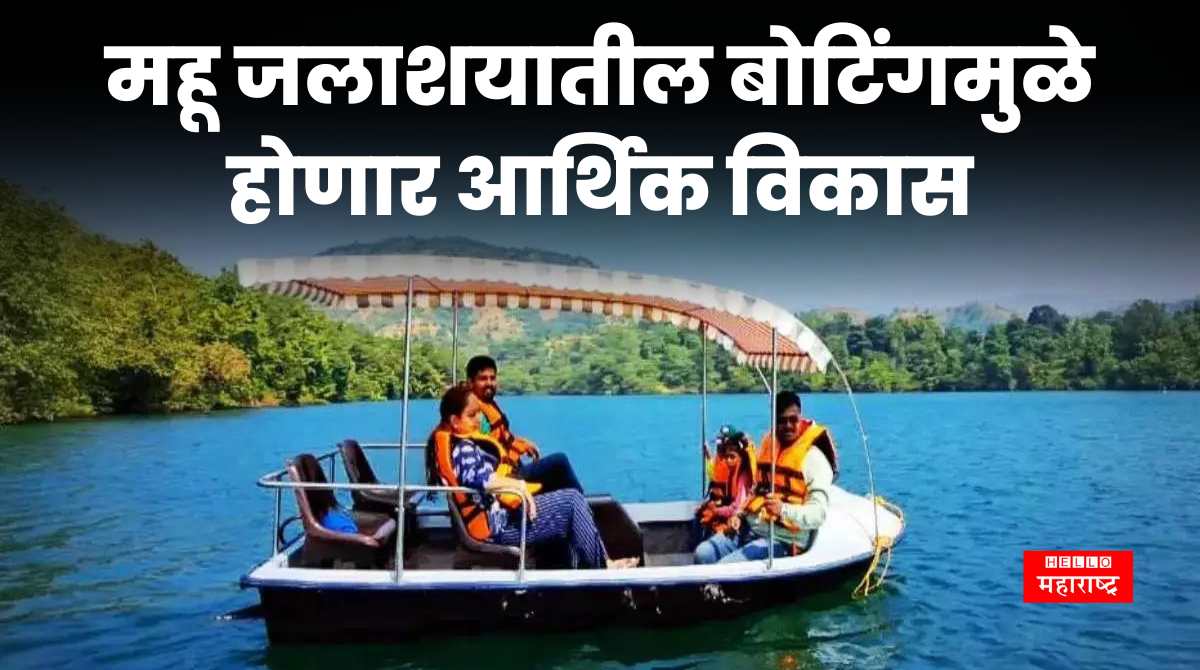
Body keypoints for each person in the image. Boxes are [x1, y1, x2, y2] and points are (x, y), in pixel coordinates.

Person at [432, 384, 638, 569]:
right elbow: (478, 478)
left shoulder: (460, 444)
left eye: (478, 413)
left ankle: (583, 565)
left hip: (500, 518)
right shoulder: (463, 450)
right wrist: (520, 487)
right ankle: (603, 568)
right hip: (499, 529)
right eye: (471, 415)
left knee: (567, 497)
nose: (478, 419)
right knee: (572, 500)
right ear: (455, 421)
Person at [718, 391, 839, 563]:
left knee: (723, 567)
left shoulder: (814, 458)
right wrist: (739, 514)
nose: (788, 425)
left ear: (800, 417)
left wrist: (783, 509)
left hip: (783, 540)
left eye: (793, 419)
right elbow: (756, 490)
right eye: (781, 420)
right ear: (774, 420)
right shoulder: (769, 445)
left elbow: (818, 514)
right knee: (704, 552)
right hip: (751, 527)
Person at [466, 355, 583, 494]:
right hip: (502, 477)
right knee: (559, 461)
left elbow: (502, 437)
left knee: (555, 479)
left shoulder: (488, 405)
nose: (489, 383)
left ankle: (575, 507)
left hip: (511, 469)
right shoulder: (474, 413)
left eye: (492, 378)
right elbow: (488, 443)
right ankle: (587, 509)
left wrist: (521, 444)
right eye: (483, 379)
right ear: (470, 382)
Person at [693, 425, 756, 564]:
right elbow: (714, 477)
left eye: (732, 457)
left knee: (709, 526)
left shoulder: (743, 476)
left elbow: (737, 507)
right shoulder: (727, 466)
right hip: (724, 505)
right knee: (699, 517)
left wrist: (717, 511)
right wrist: (708, 457)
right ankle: (696, 552)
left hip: (736, 518)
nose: (728, 460)